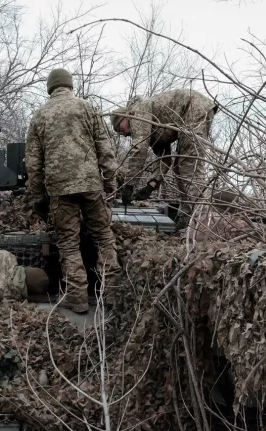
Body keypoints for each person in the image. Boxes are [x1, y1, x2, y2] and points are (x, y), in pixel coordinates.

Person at [25, 69, 121, 314]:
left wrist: (38, 199)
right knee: (103, 237)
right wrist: (110, 182)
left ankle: (77, 299)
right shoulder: (88, 108)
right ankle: (111, 294)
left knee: (68, 244)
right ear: (70, 86)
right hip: (91, 185)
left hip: (59, 189)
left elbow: (33, 165)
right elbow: (105, 148)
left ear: (50, 88)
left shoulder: (39, 116)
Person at [111, 89, 217, 227]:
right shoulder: (153, 130)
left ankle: (201, 223)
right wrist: (151, 186)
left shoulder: (137, 114)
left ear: (124, 117)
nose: (124, 135)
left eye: (120, 129)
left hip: (193, 108)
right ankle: (185, 221)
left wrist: (129, 185)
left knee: (190, 168)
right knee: (179, 168)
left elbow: (139, 150)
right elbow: (165, 159)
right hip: (191, 112)